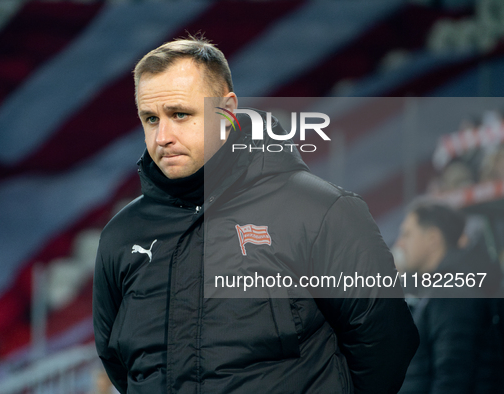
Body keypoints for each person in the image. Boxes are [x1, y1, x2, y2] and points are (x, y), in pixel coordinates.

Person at [93, 35, 419, 394]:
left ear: (227, 111)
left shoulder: (321, 212)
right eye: (150, 118)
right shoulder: (121, 237)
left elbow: (387, 345)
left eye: (180, 114)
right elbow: (120, 366)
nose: (162, 136)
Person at [395, 201, 504, 394]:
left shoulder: (453, 293)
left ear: (433, 239)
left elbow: (452, 379)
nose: (400, 243)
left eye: (407, 234)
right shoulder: (438, 289)